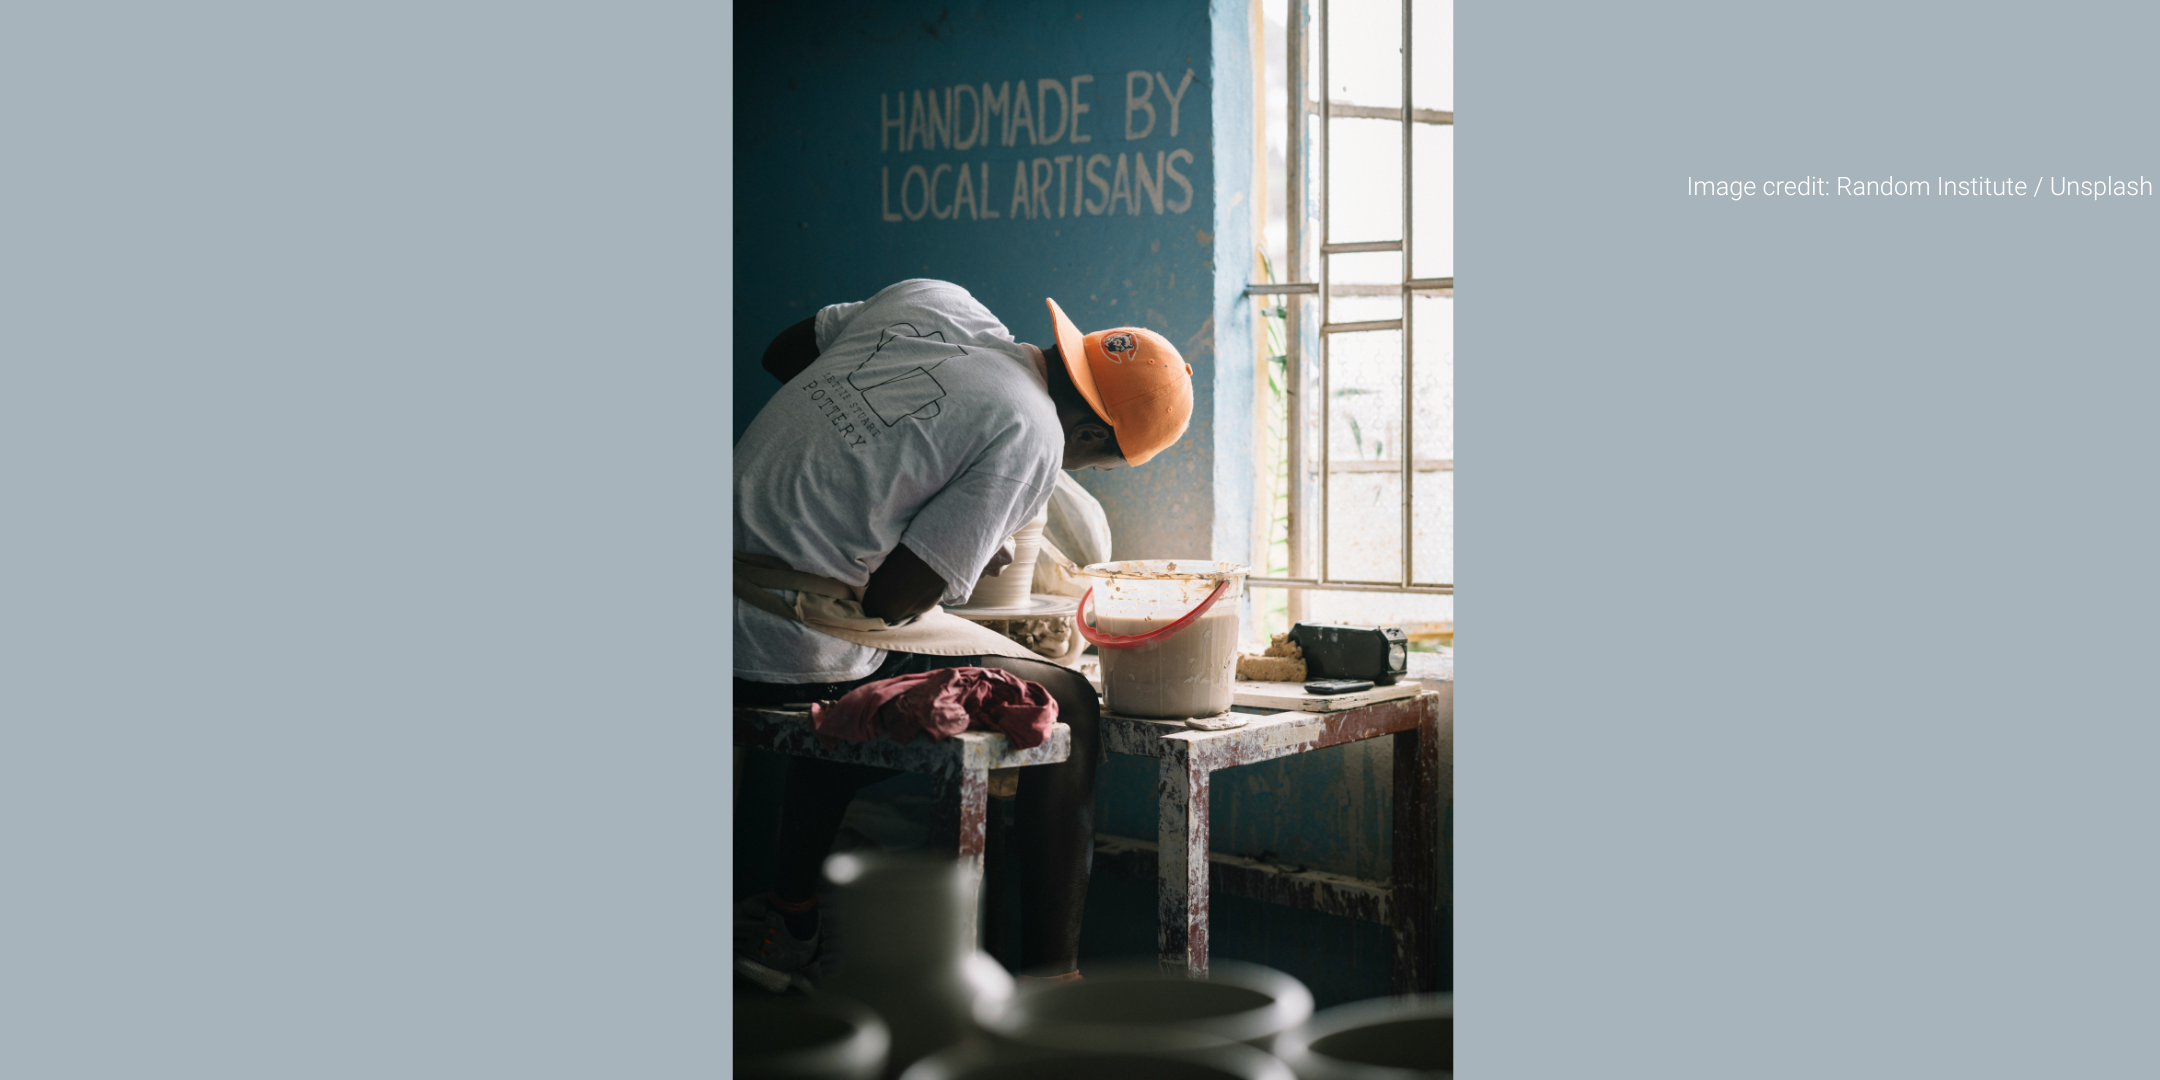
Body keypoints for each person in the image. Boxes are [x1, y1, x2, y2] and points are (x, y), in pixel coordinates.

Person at [733, 278, 1193, 984]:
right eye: (1095, 462)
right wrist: (963, 546)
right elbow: (892, 600)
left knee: (861, 665)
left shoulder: (935, 302)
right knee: (1069, 697)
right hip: (777, 635)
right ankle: (1052, 982)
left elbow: (781, 352)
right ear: (1095, 434)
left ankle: (790, 915)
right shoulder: (1034, 430)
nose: (1080, 467)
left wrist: (862, 460)